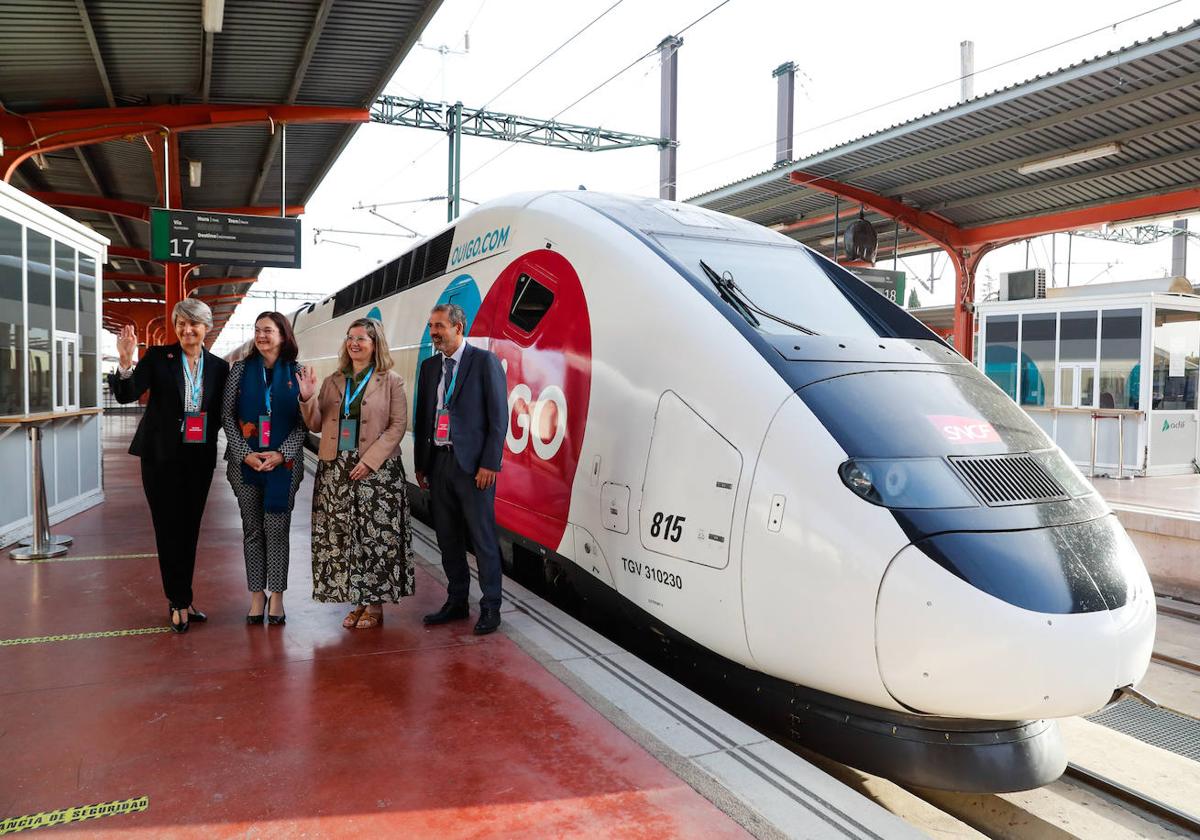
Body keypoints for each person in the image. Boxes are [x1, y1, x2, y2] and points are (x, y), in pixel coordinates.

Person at [109, 300, 229, 633]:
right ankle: (176, 601)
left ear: (207, 328)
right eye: (181, 324)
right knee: (168, 528)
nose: (187, 330)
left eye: (194, 324)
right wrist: (124, 359)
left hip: (198, 459)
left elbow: (220, 412)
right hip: (160, 457)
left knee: (190, 530)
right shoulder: (160, 358)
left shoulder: (219, 367)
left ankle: (185, 597)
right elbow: (127, 393)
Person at [298, 317, 413, 628]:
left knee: (374, 539)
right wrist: (308, 398)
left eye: (361, 338)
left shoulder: (391, 381)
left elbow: (397, 426)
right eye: (350, 338)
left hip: (377, 473)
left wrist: (371, 461)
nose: (354, 343)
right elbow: (316, 424)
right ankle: (357, 600)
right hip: (335, 470)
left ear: (375, 344)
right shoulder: (334, 381)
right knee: (344, 537)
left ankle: (375, 605)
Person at [413, 303, 507, 635]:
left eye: (439, 326)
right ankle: (456, 601)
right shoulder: (428, 368)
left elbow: (499, 418)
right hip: (439, 463)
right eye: (431, 326)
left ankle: (491, 606)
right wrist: (420, 464)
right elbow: (423, 416)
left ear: (459, 327)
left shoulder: (484, 363)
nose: (434, 332)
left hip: (473, 468)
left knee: (482, 539)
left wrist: (489, 463)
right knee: (448, 537)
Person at [221, 312, 307, 626]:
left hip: (285, 465)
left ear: (283, 336)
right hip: (245, 464)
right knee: (253, 530)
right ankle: (257, 594)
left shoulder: (297, 373)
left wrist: (281, 453)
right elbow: (227, 415)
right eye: (257, 330)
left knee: (278, 531)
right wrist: (244, 453)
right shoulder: (240, 371)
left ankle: (278, 596)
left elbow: (304, 424)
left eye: (268, 331)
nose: (261, 336)